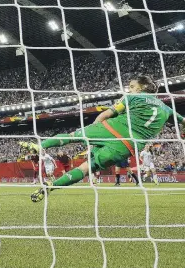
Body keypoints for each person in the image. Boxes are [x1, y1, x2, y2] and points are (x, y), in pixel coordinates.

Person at [29, 75, 185, 203]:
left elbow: (106, 114)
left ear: (142, 88)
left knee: (72, 136)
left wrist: (93, 132)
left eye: (132, 86)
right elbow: (183, 122)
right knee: (85, 168)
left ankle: (40, 146)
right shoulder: (167, 108)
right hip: (127, 146)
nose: (129, 89)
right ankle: (52, 186)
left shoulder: (131, 98)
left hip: (112, 128)